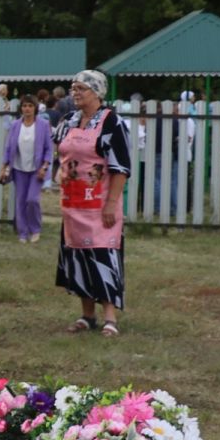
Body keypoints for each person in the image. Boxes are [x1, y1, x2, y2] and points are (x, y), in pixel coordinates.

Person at [53, 69, 132, 337]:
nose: (75, 93)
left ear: (97, 92)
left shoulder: (113, 123)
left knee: (102, 255)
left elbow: (120, 168)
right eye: (73, 88)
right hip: (73, 204)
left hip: (100, 205)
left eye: (81, 89)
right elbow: (60, 152)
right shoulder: (67, 121)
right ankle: (87, 315)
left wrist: (111, 204)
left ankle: (110, 317)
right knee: (78, 257)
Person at [0, 93, 54, 243]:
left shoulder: (42, 125)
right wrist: (3, 168)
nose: (27, 109)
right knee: (21, 201)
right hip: (19, 169)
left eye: (30, 106)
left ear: (35, 108)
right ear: (21, 108)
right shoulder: (15, 125)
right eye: (24, 106)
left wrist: (45, 166)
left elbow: (49, 148)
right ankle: (23, 232)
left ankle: (35, 229)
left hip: (37, 170)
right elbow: (8, 148)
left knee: (32, 200)